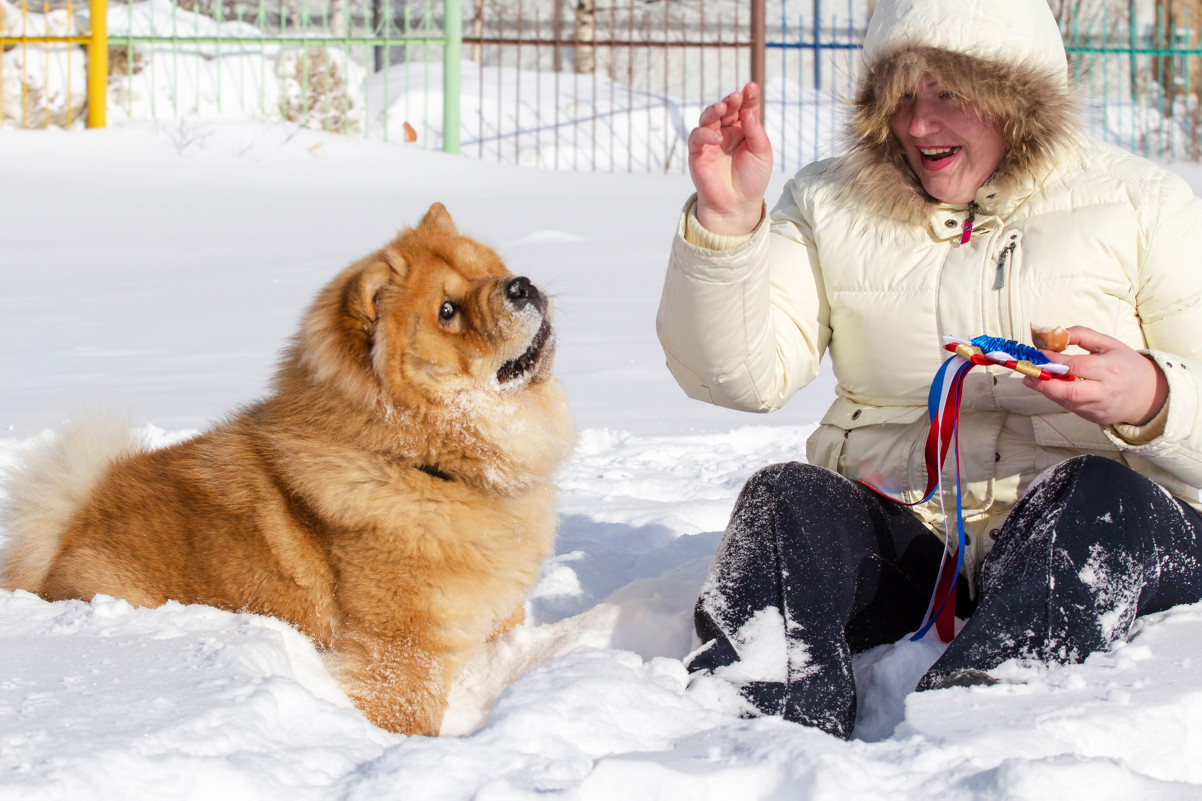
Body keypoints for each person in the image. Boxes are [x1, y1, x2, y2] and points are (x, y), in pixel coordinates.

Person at [657, 0, 1202, 740]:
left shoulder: (1142, 204)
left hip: (1096, 532)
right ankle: (764, 730)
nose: (917, 124)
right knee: (784, 501)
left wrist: (1153, 393)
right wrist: (726, 224)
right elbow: (741, 377)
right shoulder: (829, 203)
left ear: (1017, 96)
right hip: (920, 533)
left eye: (948, 93)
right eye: (900, 97)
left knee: (1098, 497)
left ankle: (979, 733)